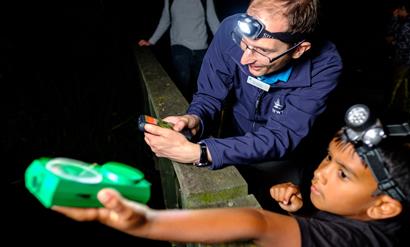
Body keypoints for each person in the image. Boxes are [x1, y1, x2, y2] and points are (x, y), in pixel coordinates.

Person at [53, 104, 410, 247]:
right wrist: (302, 213)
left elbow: (255, 222)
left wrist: (146, 221)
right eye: (326, 159)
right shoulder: (364, 222)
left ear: (384, 206)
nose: (320, 173)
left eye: (341, 174)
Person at [143, 0, 343, 209]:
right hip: (231, 139)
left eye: (262, 51)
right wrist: (194, 118)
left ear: (299, 49)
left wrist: (201, 153)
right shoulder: (230, 29)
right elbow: (209, 94)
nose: (245, 58)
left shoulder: (325, 65)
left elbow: (281, 135)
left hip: (282, 162)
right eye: (244, 42)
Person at [138, 0, 220, 102]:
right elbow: (165, 21)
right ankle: (180, 109)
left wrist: (227, 44)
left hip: (201, 48)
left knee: (200, 85)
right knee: (182, 77)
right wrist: (151, 41)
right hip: (179, 46)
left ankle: (196, 112)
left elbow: (213, 21)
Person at [385, 1, 410, 111]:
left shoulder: (407, 24)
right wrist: (394, 18)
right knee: (402, 83)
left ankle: (387, 107)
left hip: (404, 57)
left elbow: (403, 41)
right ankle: (401, 107)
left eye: (398, 10)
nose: (396, 11)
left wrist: (392, 42)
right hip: (409, 56)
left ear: (403, 9)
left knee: (393, 82)